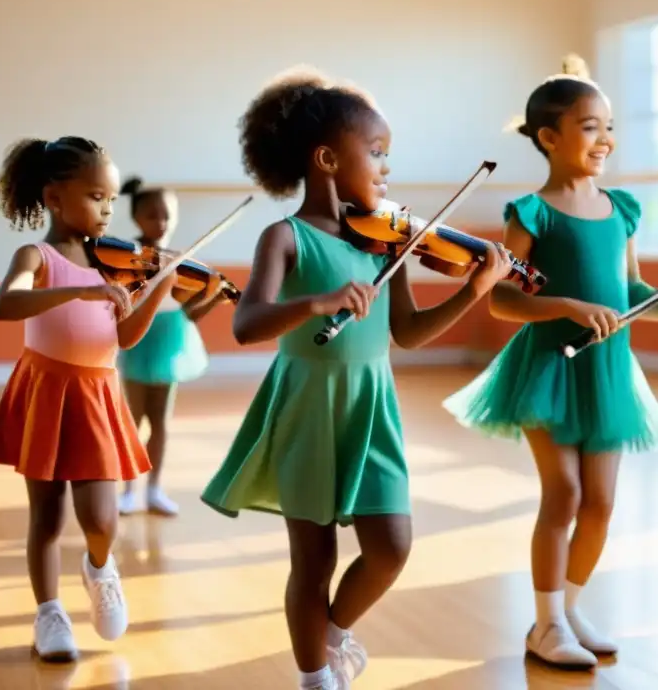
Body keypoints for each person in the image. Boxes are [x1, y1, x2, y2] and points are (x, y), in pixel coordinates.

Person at [200, 65, 513, 690]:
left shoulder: (386, 242)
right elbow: (247, 323)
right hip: (308, 408)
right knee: (312, 562)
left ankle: (334, 631)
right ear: (326, 159)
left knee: (391, 547)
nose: (387, 170)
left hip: (373, 407)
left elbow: (409, 332)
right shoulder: (284, 238)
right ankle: (314, 677)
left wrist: (476, 290)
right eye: (376, 153)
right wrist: (316, 302)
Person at [442, 55, 658, 670]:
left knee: (602, 503)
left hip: (608, 371)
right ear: (549, 138)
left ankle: (570, 606)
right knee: (561, 493)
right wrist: (562, 303)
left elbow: (634, 294)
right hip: (548, 367)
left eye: (608, 126)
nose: (605, 139)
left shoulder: (622, 210)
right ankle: (545, 624)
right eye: (590, 126)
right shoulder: (530, 214)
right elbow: (503, 298)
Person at [0, 136, 178, 662]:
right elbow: (6, 304)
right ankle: (49, 615)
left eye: (111, 200)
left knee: (102, 519)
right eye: (97, 197)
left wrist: (159, 287)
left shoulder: (111, 264)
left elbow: (126, 337)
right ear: (53, 197)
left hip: (95, 394)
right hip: (45, 390)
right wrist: (78, 291)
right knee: (46, 517)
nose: (107, 210)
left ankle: (99, 567)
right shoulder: (36, 256)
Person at [116, 176, 227, 517]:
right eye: (152, 215)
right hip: (138, 337)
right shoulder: (124, 256)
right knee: (133, 419)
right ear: (136, 218)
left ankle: (154, 489)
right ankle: (129, 489)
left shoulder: (180, 260)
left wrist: (214, 295)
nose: (160, 223)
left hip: (170, 339)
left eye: (167, 216)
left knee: (161, 421)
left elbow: (189, 313)